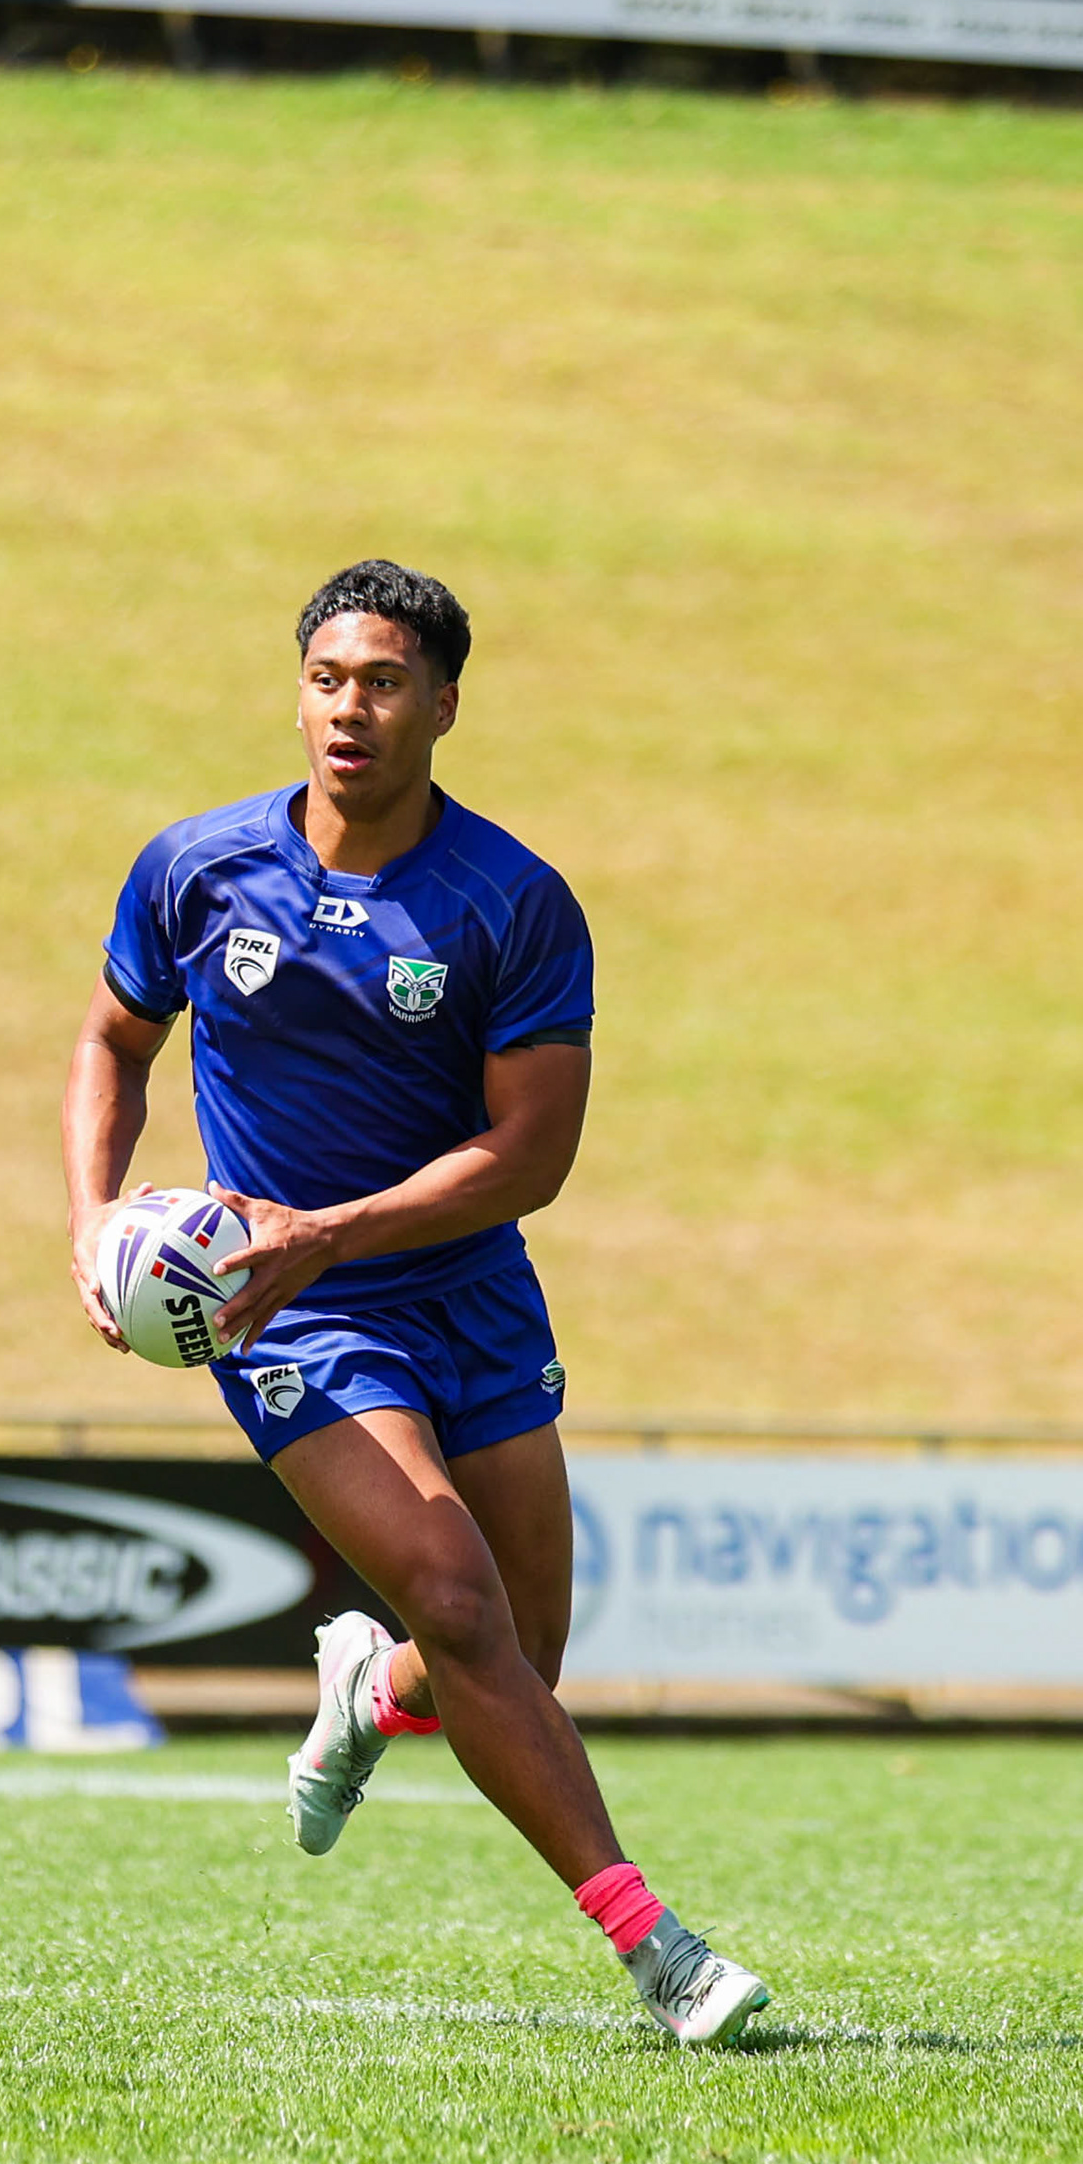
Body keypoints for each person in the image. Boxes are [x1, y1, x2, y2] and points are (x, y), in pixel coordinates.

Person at [62, 560, 769, 2047]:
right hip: (289, 1314)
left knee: (516, 1653)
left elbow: (534, 1156)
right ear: (298, 694)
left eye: (385, 683)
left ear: (444, 705)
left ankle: (365, 1688)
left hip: (465, 1289)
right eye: (328, 680)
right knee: (456, 1600)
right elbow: (113, 1044)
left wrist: (333, 1229)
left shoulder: (511, 901)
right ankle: (657, 1949)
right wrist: (95, 1217)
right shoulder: (197, 870)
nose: (351, 709)